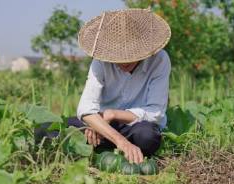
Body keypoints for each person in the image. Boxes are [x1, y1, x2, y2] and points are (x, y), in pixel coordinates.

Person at [71, 8, 172, 164]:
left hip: (135, 126)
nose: (124, 62)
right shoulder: (100, 61)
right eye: (118, 57)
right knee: (56, 130)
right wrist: (115, 137)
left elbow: (155, 112)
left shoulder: (160, 60)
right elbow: (85, 108)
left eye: (131, 56)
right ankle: (117, 145)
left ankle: (104, 146)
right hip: (103, 124)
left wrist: (112, 114)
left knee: (147, 137)